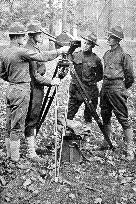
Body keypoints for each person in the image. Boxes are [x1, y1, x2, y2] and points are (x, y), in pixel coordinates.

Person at [0, 22, 68, 163]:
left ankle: (8, 155)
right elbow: (42, 57)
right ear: (17, 36)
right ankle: (15, 159)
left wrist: (13, 79)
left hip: (11, 89)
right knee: (18, 125)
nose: (23, 38)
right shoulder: (21, 51)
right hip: (22, 89)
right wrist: (59, 51)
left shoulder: (5, 51)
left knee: (9, 123)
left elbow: (1, 73)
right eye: (22, 36)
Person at [25, 21, 61, 162]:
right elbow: (36, 76)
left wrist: (59, 52)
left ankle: (32, 146)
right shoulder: (31, 49)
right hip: (34, 88)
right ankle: (31, 152)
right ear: (33, 35)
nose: (42, 36)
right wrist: (51, 82)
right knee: (32, 117)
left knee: (35, 116)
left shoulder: (35, 47)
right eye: (39, 34)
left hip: (37, 87)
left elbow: (45, 55)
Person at [100, 26, 135, 160]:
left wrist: (121, 87)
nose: (108, 38)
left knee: (123, 118)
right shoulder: (107, 54)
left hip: (117, 88)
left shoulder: (124, 55)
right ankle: (107, 142)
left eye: (111, 37)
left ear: (117, 40)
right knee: (105, 115)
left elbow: (130, 76)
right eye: (108, 36)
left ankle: (130, 149)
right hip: (105, 87)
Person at [67, 33, 103, 124]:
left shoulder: (96, 59)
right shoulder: (75, 55)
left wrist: (90, 82)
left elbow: (100, 75)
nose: (85, 45)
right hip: (76, 90)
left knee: (89, 114)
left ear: (92, 46)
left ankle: (87, 133)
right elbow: (67, 59)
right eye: (84, 42)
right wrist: (71, 48)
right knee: (70, 113)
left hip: (90, 91)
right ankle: (68, 132)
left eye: (88, 43)